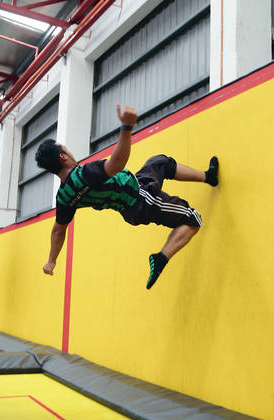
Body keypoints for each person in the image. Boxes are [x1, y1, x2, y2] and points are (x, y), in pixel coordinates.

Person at [36, 105, 218, 289]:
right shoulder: (84, 174)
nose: (70, 152)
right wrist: (126, 128)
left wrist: (52, 260)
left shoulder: (64, 196)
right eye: (67, 150)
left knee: (160, 162)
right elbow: (117, 163)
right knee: (192, 218)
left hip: (134, 196)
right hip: (142, 199)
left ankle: (208, 177)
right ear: (63, 157)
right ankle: (161, 258)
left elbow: (58, 231)